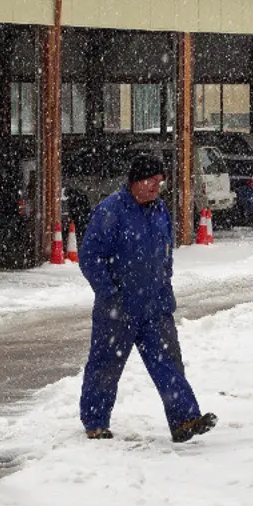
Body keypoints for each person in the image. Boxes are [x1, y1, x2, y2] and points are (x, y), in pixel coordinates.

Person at [78, 153, 218, 443]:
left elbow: (165, 254)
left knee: (168, 362)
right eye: (150, 180)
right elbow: (90, 257)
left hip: (155, 305)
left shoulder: (160, 210)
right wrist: (110, 293)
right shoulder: (111, 211)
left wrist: (165, 286)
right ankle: (95, 422)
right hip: (118, 306)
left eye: (159, 181)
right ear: (134, 182)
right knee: (106, 365)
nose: (156, 186)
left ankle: (184, 419)